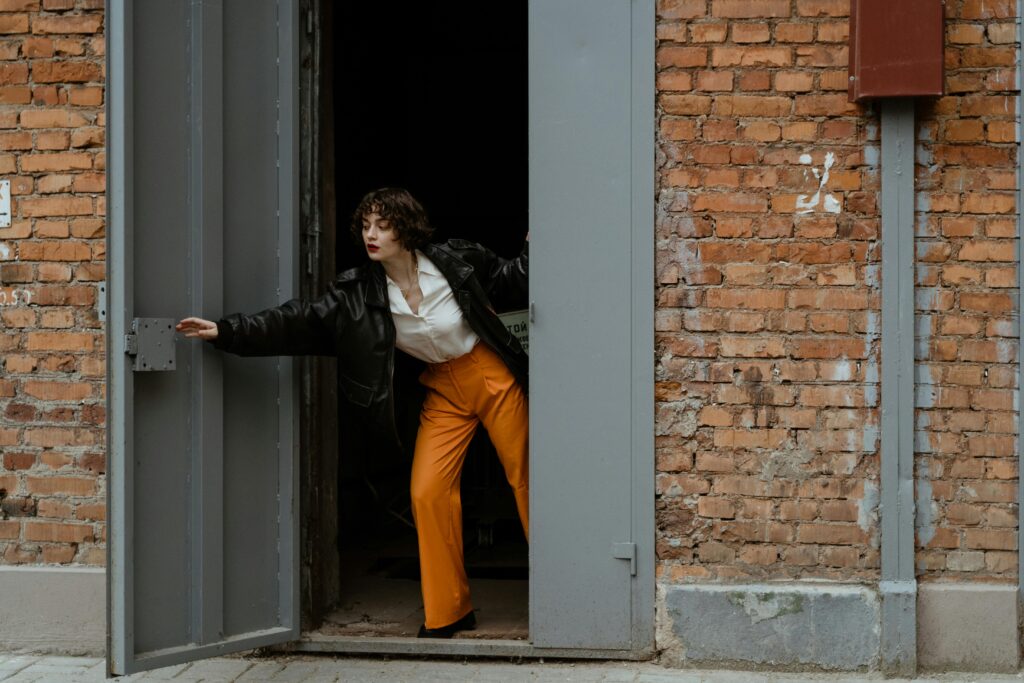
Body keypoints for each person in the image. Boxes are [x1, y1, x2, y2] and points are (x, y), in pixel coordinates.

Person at [177, 187, 529, 638]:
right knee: (426, 492)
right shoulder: (358, 292)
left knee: (524, 478)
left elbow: (511, 280)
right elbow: (298, 320)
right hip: (443, 388)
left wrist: (533, 247)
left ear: (406, 228)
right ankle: (450, 611)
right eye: (365, 225)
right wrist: (227, 331)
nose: (371, 234)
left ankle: (566, 589)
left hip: (490, 373)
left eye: (382, 225)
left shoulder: (456, 260)